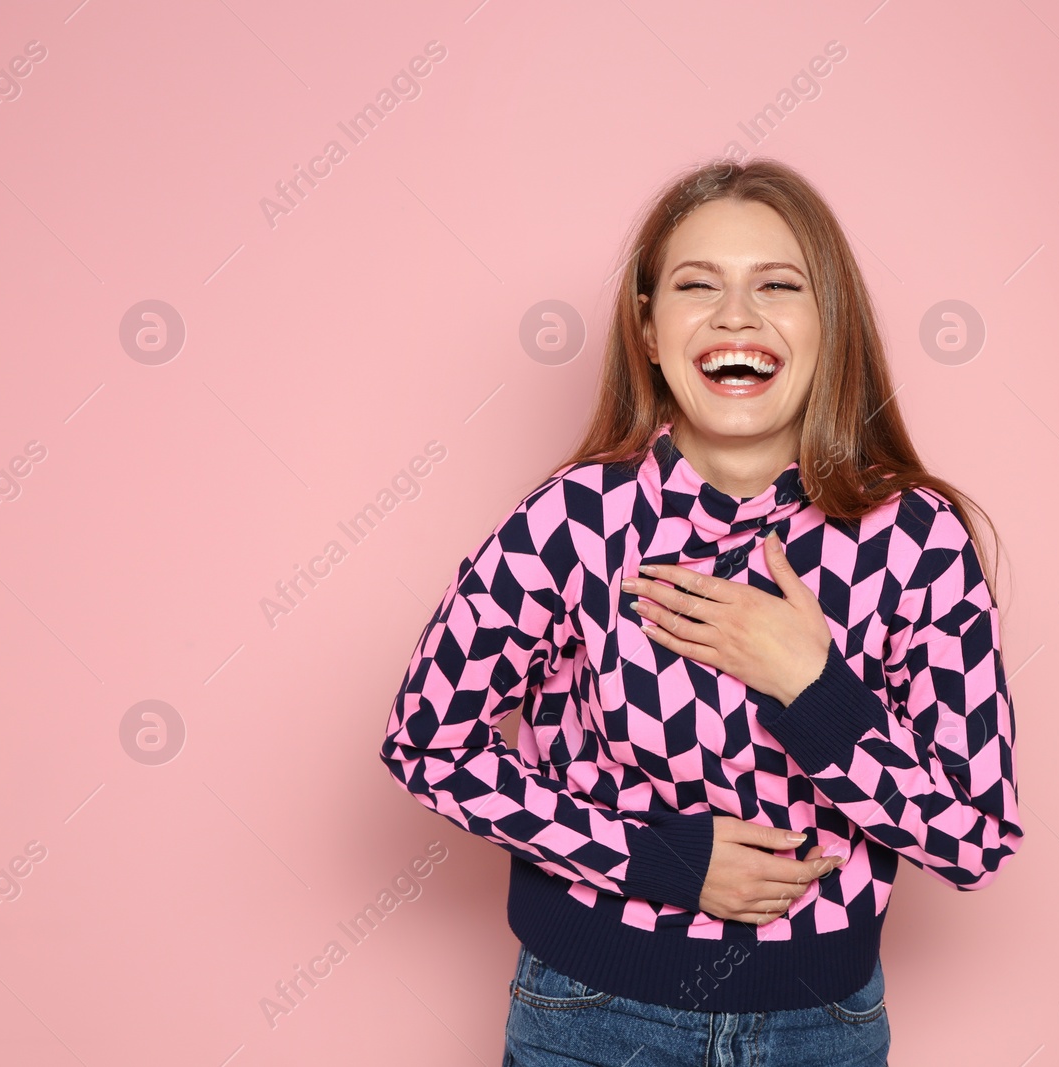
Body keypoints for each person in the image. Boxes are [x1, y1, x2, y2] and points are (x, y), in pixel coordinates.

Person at [379, 157, 1024, 1066]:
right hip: (593, 1014)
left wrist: (813, 688)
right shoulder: (574, 521)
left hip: (820, 1026)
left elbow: (974, 834)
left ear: (829, 322)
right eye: (696, 285)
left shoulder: (915, 540)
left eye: (778, 285)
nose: (736, 317)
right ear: (648, 330)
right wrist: (659, 862)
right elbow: (426, 745)